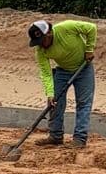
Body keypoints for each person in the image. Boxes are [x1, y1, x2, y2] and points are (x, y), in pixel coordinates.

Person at [28, 17, 98, 145]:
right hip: (63, 71)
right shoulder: (40, 50)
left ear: (49, 33)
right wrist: (50, 93)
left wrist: (89, 49)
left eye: (42, 40)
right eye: (37, 42)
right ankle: (55, 136)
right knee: (54, 102)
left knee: (83, 103)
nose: (41, 44)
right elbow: (46, 73)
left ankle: (79, 139)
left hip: (84, 68)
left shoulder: (67, 27)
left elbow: (91, 28)